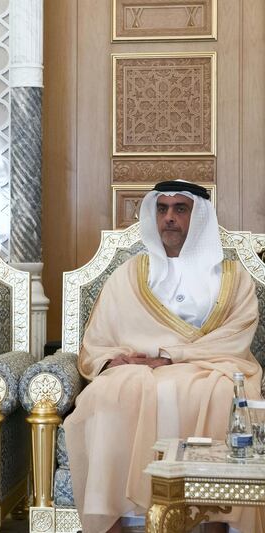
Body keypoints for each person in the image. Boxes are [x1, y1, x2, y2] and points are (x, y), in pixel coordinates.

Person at [63, 180, 264, 533]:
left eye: (180, 209)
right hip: (138, 369)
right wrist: (115, 361)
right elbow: (98, 341)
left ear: (198, 217)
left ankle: (214, 519)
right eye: (162, 209)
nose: (169, 218)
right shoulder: (129, 275)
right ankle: (116, 522)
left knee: (220, 393)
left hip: (209, 367)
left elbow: (235, 336)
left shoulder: (233, 279)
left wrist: (171, 357)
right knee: (108, 391)